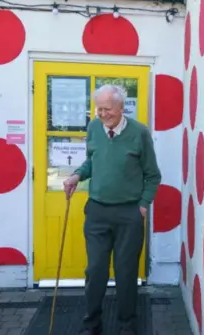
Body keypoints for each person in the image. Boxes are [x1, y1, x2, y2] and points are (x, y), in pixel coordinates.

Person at [63, 84, 161, 335]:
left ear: (120, 108)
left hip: (129, 214)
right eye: (99, 109)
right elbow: (91, 161)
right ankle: (92, 323)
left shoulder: (139, 133)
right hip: (97, 211)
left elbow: (152, 175)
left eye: (108, 109)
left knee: (126, 273)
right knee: (95, 270)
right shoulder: (94, 127)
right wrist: (77, 176)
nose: (102, 114)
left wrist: (142, 205)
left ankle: (127, 325)